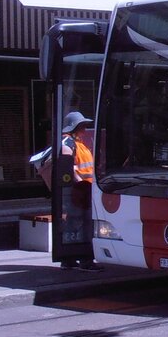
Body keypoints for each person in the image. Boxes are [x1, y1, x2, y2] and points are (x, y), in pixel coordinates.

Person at [58, 111, 100, 270]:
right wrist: (80, 182)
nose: (84, 130)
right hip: (79, 191)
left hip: (86, 190)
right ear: (74, 127)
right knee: (79, 223)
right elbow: (70, 167)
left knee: (80, 223)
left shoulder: (78, 143)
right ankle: (82, 259)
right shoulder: (68, 143)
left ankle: (72, 258)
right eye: (82, 126)